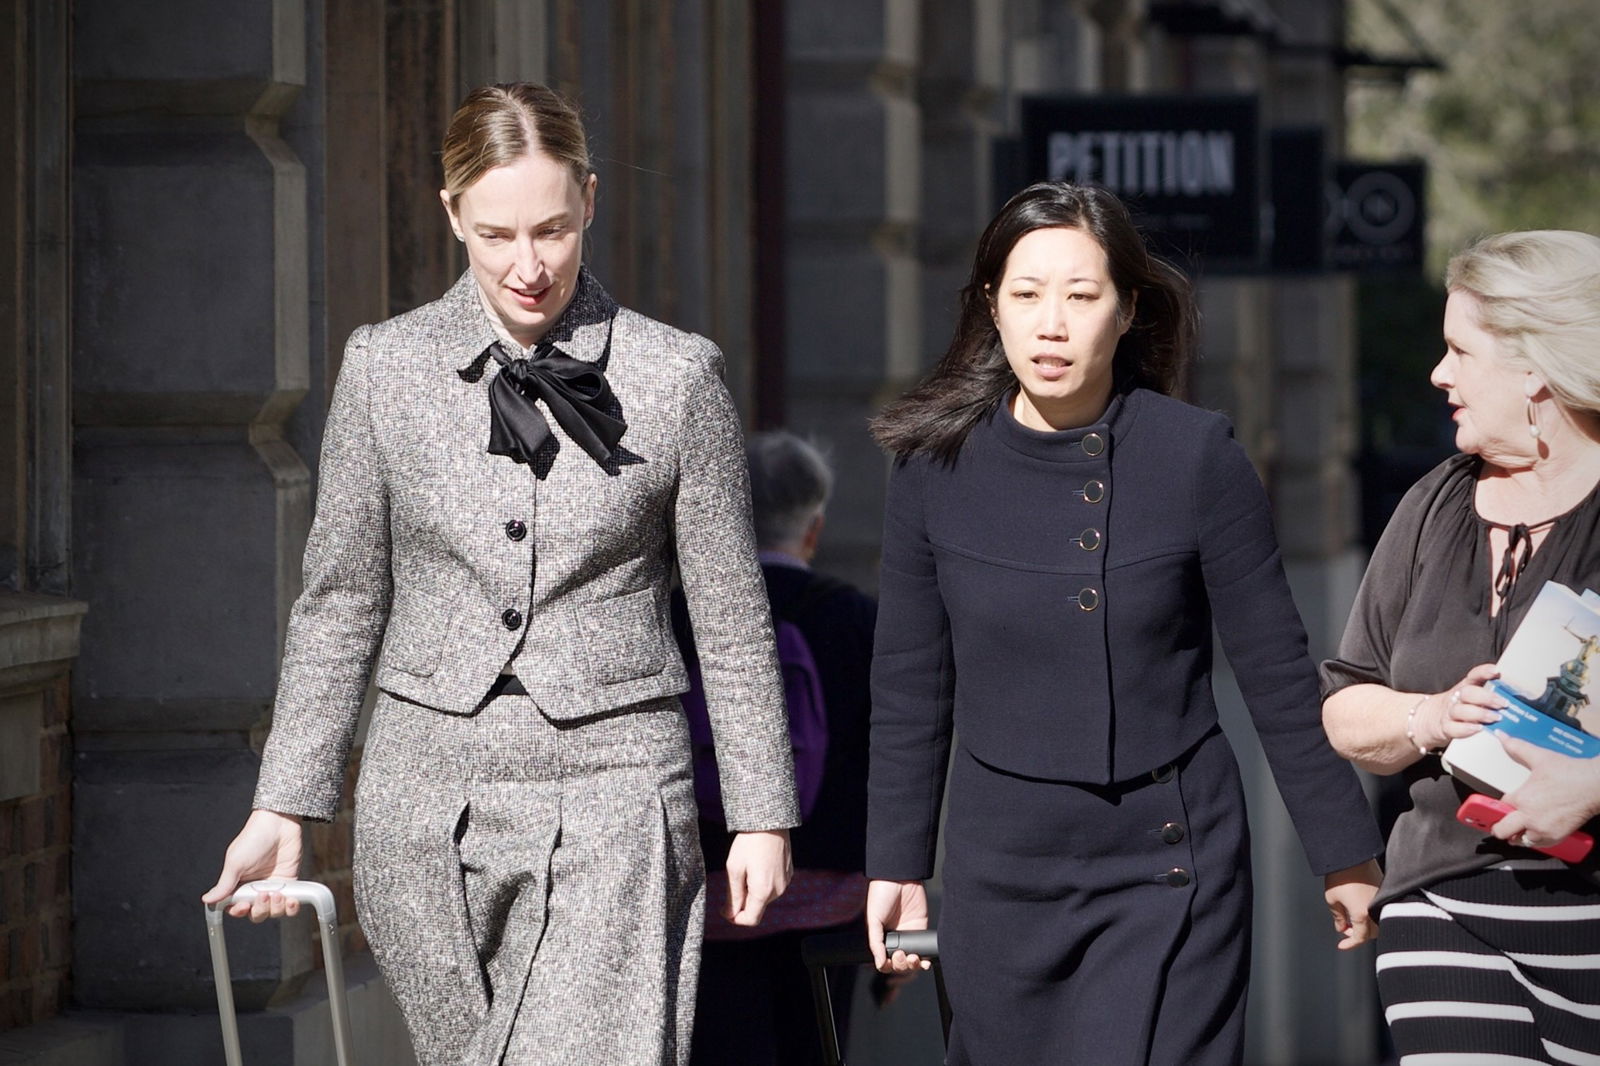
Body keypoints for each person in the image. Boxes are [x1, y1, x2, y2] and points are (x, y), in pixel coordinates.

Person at [201, 82, 798, 1066]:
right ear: (451, 215)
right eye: (497, 234)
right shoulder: (384, 368)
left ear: (590, 202)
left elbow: (734, 621)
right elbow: (341, 599)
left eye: (553, 230)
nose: (529, 265)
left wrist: (762, 813)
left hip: (617, 786)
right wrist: (287, 799)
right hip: (421, 799)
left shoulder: (676, 376)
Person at [862, 180, 1384, 1065]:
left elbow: (1277, 671)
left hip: (1169, 862)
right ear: (992, 307)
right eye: (1025, 296)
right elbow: (911, 687)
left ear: (1128, 307)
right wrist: (896, 864)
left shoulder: (1196, 455)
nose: (1051, 325)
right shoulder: (932, 467)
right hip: (1003, 871)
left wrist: (1345, 852)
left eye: (1081, 295)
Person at [1321, 230, 1600, 1063]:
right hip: (1444, 900)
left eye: (1460, 350)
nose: (1439, 375)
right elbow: (1346, 703)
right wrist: (1430, 716)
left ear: (1534, 368)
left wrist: (1590, 788)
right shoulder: (1431, 507)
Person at [674, 430, 878, 1066]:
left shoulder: (674, 617)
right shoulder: (859, 620)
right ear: (812, 529)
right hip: (831, 904)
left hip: (709, 902)